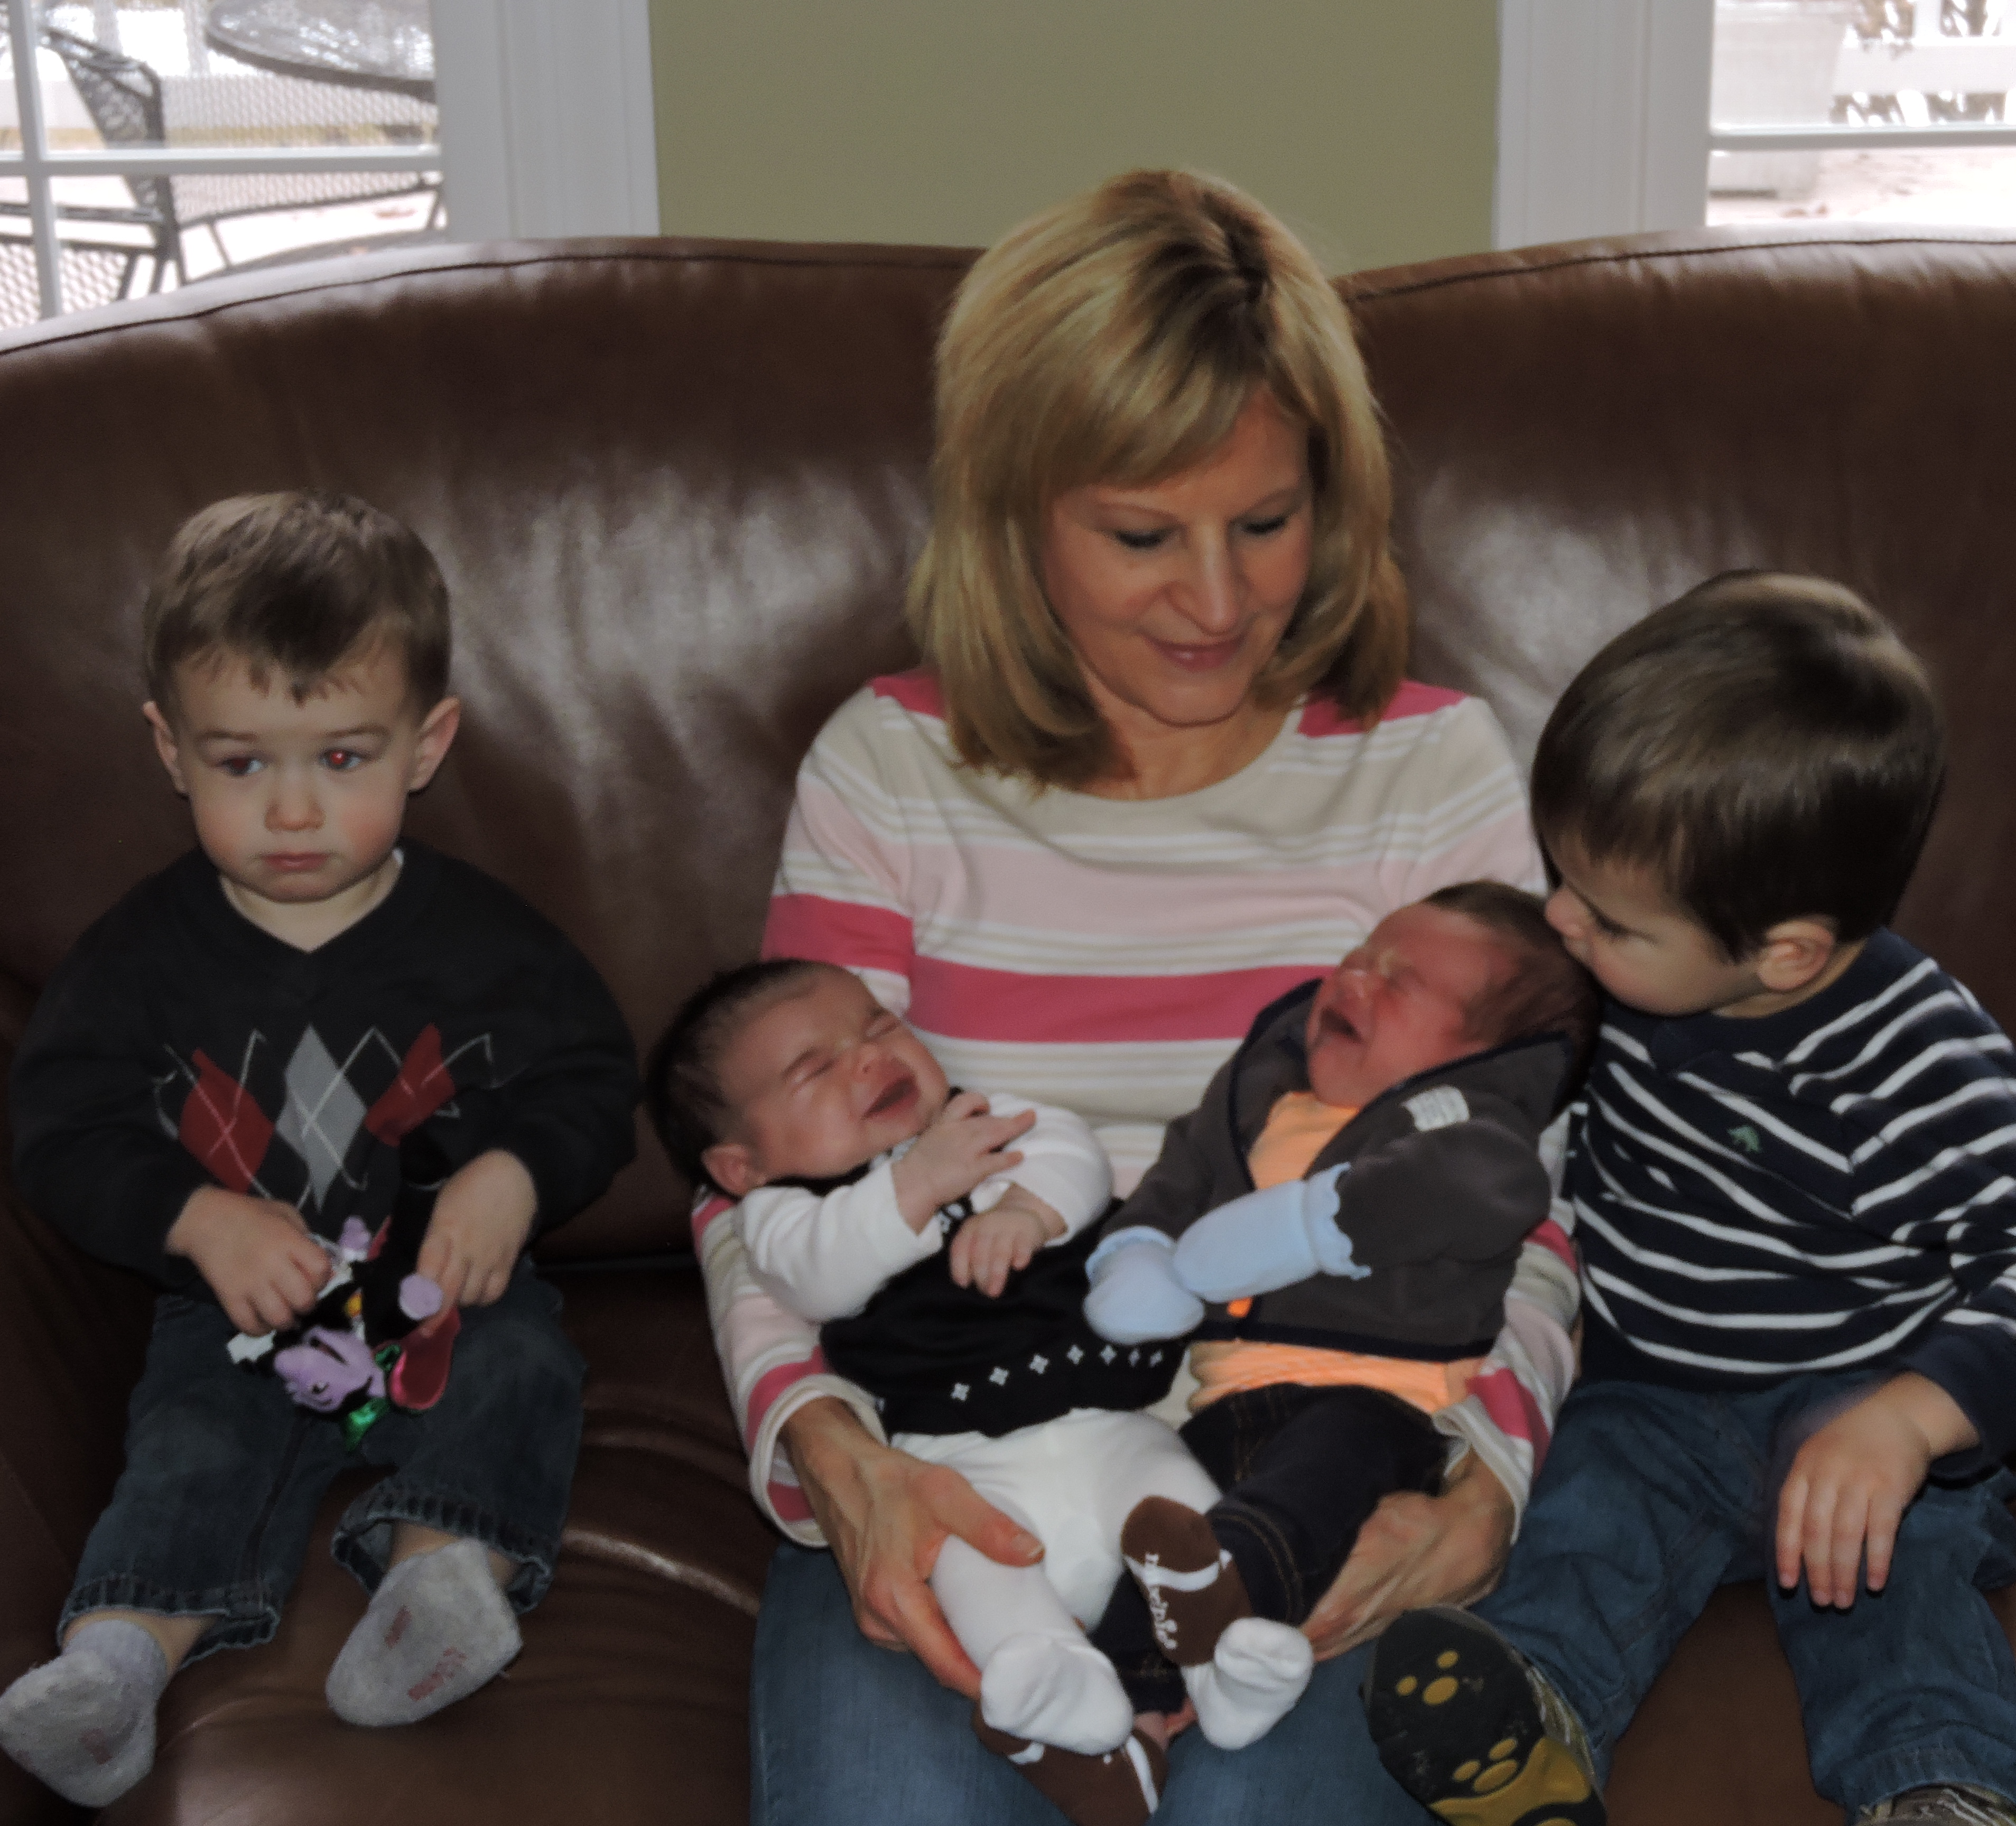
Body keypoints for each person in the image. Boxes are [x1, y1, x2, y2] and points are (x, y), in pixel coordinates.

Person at [696, 169, 1568, 1824]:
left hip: (1297, 1441)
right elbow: (761, 1186)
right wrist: (836, 1459)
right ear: (1016, 517)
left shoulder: (1430, 772)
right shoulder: (890, 770)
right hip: (945, 1442)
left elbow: (1527, 1190)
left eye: (1267, 522)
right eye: (1143, 536)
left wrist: (1485, 1487)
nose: (1220, 604)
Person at [1362, 574, 2016, 1826]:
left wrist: (1909, 1424)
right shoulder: (1611, 987)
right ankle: (1526, 1745)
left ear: (1787, 954)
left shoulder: (1919, 1065)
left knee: (1897, 1570)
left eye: (1607, 918)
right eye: (1560, 875)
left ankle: (1942, 1784)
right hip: (1644, 1395)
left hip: (1853, 1399)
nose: (1558, 918)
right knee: (1577, 1523)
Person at [0, 493, 637, 1808]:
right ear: (171, 750)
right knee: (190, 1443)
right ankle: (116, 1664)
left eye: (343, 758)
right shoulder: (136, 960)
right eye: (242, 764)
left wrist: (512, 1175)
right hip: (235, 1307)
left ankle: (439, 1584)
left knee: (523, 1368)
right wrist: (194, 1217)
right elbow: (60, 1127)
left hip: (443, 1290)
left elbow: (589, 1081)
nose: (293, 811)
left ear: (427, 744)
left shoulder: (490, 945)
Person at [650, 959, 1311, 1826]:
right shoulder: (781, 1215)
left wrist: (1027, 1210)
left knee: (1178, 1504)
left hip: (1110, 1421)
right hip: (957, 1469)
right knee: (968, 1568)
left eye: (880, 1027)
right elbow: (818, 1275)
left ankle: (1225, 1664)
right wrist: (918, 1184)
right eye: (815, 1069)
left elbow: (1070, 1152)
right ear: (741, 1166)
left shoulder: (978, 1119)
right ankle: (1054, 1687)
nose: (868, 1058)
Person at [1082, 883, 1599, 1720]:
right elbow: (1182, 1174)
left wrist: (1317, 1224)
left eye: (1399, 983)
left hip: (1380, 1406)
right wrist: (1137, 1252)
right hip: (1224, 1401)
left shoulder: (1461, 1126)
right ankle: (1129, 1712)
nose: (1353, 980)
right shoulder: (1258, 1101)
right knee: (1165, 1517)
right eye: (1356, 960)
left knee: (1314, 1481)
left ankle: (1237, 1586)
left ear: (1485, 1054)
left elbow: (1486, 1184)